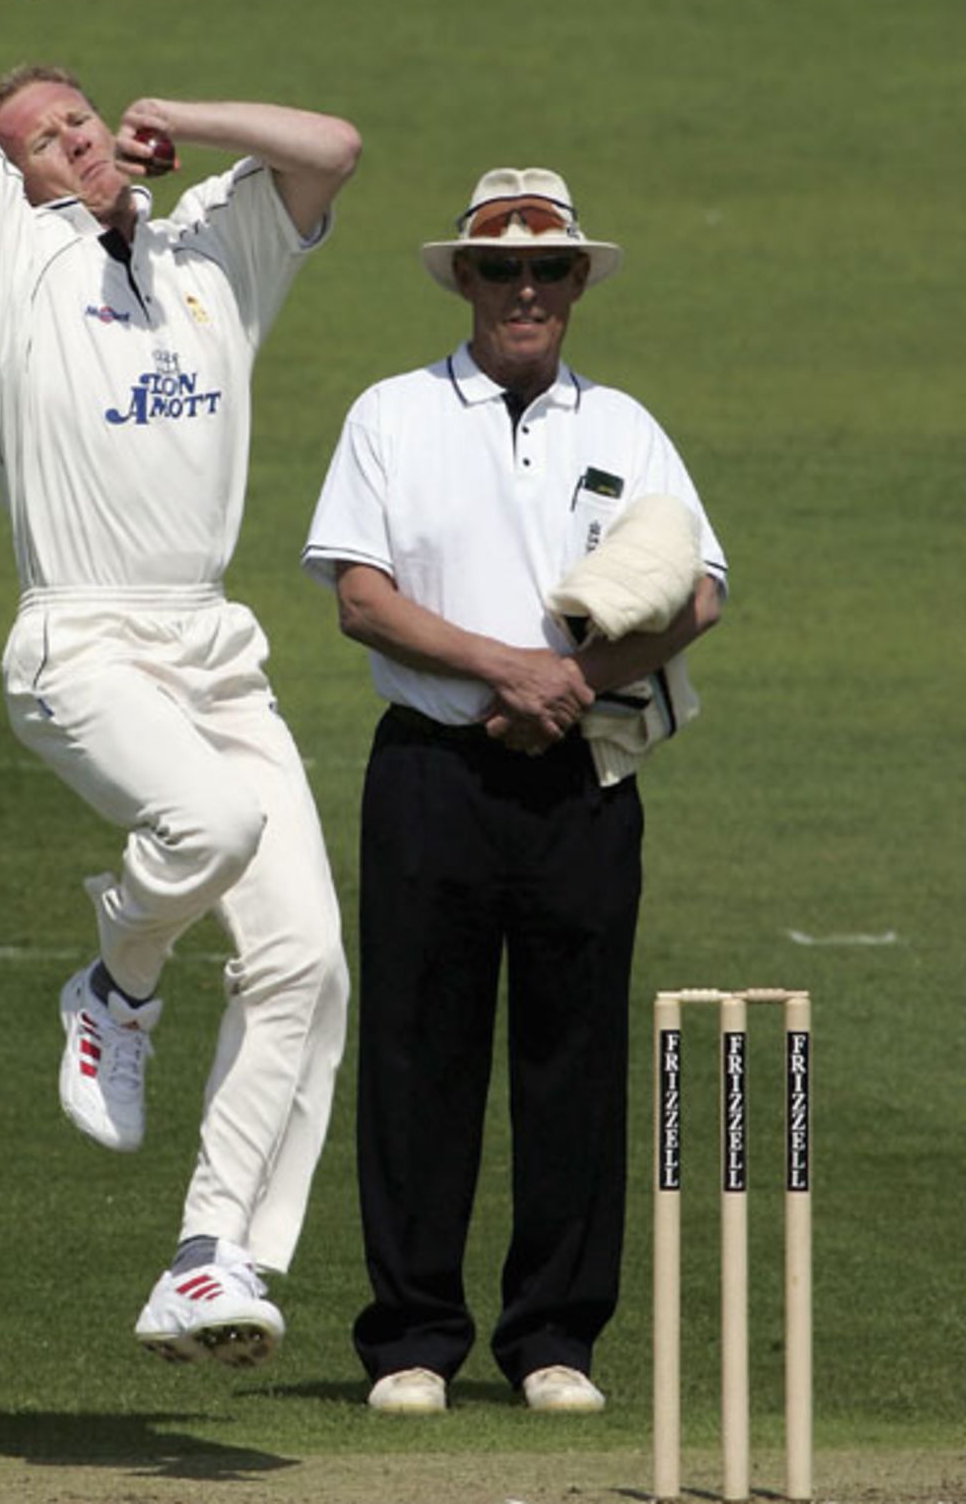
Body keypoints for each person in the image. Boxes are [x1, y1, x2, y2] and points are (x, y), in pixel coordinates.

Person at [0, 0, 359, 1368]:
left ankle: (210, 1253)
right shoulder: (8, 269)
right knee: (211, 818)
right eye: (42, 140)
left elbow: (333, 146)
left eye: (84, 123)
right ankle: (118, 978)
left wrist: (190, 115)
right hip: (81, 637)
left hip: (213, 643)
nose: (73, 148)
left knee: (307, 960)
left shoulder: (211, 249)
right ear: (13, 173)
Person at [302, 167, 727, 1413]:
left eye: (549, 269)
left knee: (574, 1051)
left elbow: (696, 590)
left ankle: (552, 1339)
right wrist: (511, 674)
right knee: (417, 1052)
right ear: (467, 279)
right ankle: (412, 1339)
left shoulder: (624, 425)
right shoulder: (392, 412)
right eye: (501, 269)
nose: (525, 290)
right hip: (432, 767)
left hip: (582, 773)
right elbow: (360, 598)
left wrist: (571, 684)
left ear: (578, 281)